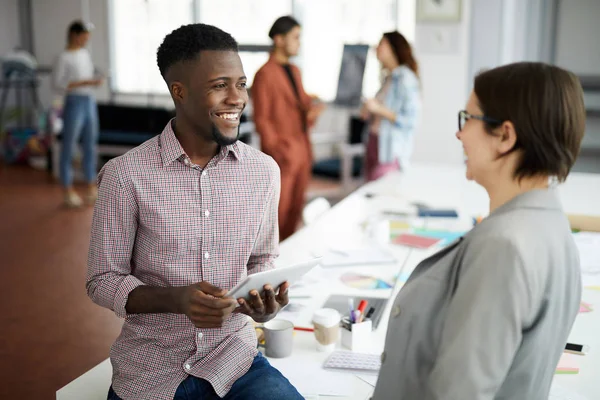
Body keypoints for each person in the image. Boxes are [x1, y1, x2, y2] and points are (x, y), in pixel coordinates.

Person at [86, 24, 302, 400]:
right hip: (150, 370)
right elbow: (102, 279)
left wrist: (262, 303)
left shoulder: (263, 171)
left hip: (235, 362)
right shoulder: (125, 176)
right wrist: (177, 300)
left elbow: (262, 258)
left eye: (241, 84)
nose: (236, 98)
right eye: (220, 85)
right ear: (179, 92)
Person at [373, 62, 585, 399]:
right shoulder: (550, 224)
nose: (459, 133)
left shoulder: (505, 245)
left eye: (467, 118)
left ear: (505, 135)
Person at [252, 16, 325, 241]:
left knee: (295, 211)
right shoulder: (264, 74)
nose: (298, 43)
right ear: (279, 39)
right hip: (284, 154)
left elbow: (301, 108)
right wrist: (278, 151)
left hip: (302, 150)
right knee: (278, 214)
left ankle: (289, 260)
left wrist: (313, 109)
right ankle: (273, 264)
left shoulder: (295, 71)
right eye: (295, 37)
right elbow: (262, 119)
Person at [53, 20, 103, 207]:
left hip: (89, 100)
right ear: (74, 35)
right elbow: (57, 84)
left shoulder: (84, 54)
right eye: (84, 36)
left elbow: (87, 76)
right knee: (69, 146)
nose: (86, 40)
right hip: (74, 102)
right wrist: (84, 83)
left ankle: (91, 187)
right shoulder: (63, 57)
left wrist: (93, 82)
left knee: (90, 145)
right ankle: (67, 190)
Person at [361, 31, 420, 181]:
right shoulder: (388, 78)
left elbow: (410, 120)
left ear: (394, 48)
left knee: (380, 192)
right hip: (375, 143)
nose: (376, 48)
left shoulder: (406, 79)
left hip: (390, 150)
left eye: (381, 44)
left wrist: (378, 109)